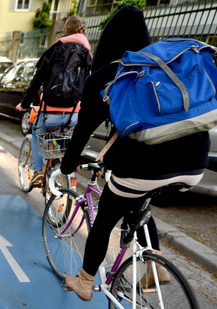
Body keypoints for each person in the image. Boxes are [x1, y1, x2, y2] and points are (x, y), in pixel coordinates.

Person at [58, 6, 210, 301]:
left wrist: (67, 165)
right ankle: (153, 261)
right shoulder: (165, 64)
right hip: (195, 164)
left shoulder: (109, 73)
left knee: (105, 218)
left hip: (144, 166)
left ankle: (85, 281)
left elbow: (82, 132)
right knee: (138, 201)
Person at [16, 16, 91, 185]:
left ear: (65, 30)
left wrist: (24, 105)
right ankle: (68, 163)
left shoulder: (54, 50)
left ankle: (38, 171)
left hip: (50, 113)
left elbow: (37, 81)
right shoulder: (86, 53)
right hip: (74, 114)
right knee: (64, 133)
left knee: (37, 133)